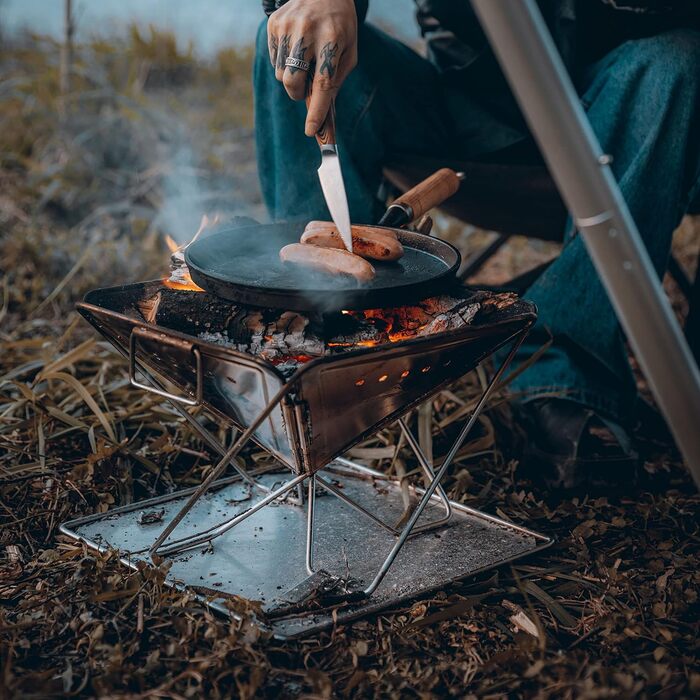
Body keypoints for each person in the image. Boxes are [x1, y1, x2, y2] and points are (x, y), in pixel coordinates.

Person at [254, 0, 700, 488]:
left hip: (635, 116)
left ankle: (564, 372)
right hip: (471, 109)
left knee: (676, 60)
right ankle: (317, 337)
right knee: (294, 35)